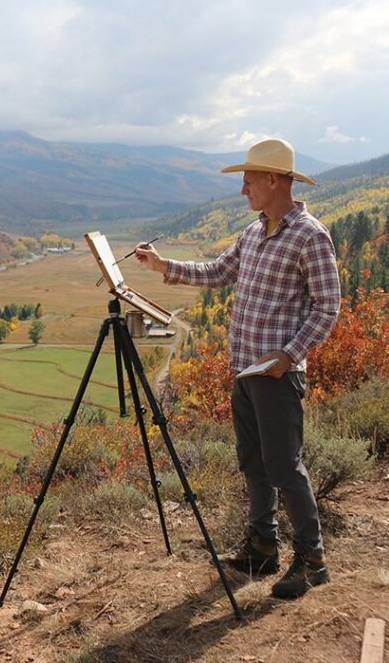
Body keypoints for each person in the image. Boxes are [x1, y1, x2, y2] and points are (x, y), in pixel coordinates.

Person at [135, 138, 341, 599]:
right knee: (253, 462)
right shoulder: (253, 234)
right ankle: (262, 547)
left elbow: (328, 307)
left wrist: (289, 356)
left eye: (249, 179)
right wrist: (162, 265)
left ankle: (312, 561)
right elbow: (216, 272)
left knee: (284, 466)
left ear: (273, 179)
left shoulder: (310, 235)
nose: (243, 188)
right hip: (244, 371)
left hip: (277, 375)